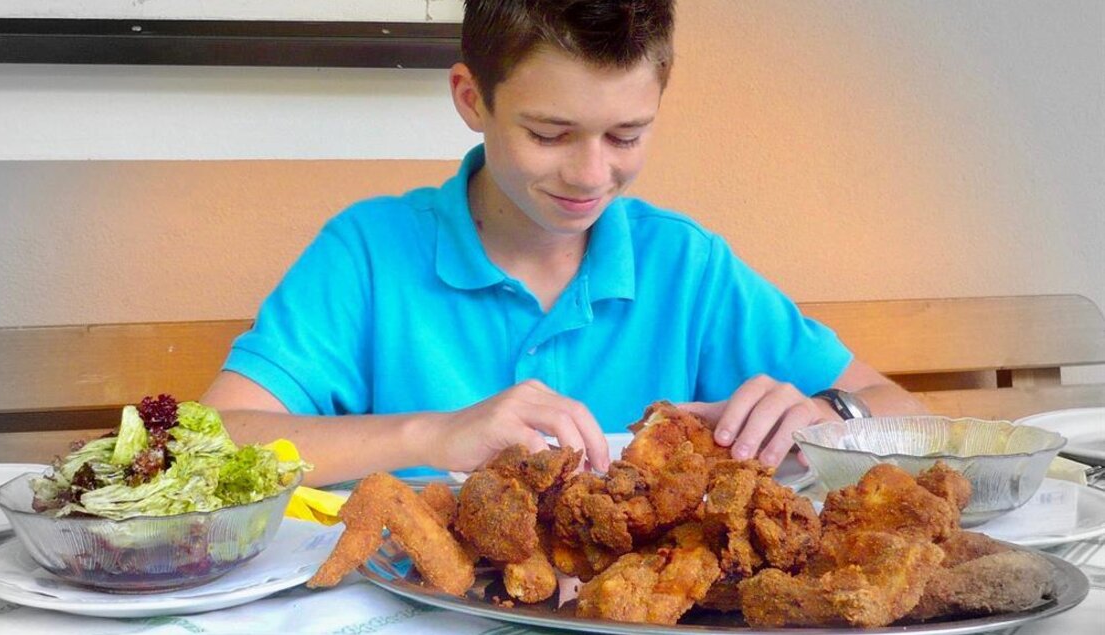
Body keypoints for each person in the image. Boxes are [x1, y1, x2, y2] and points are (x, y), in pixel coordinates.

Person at [201, 0, 925, 487]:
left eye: (626, 135)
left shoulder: (685, 266)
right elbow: (214, 440)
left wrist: (837, 416)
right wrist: (433, 434)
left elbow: (904, 409)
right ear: (471, 99)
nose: (590, 174)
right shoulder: (367, 252)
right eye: (549, 134)